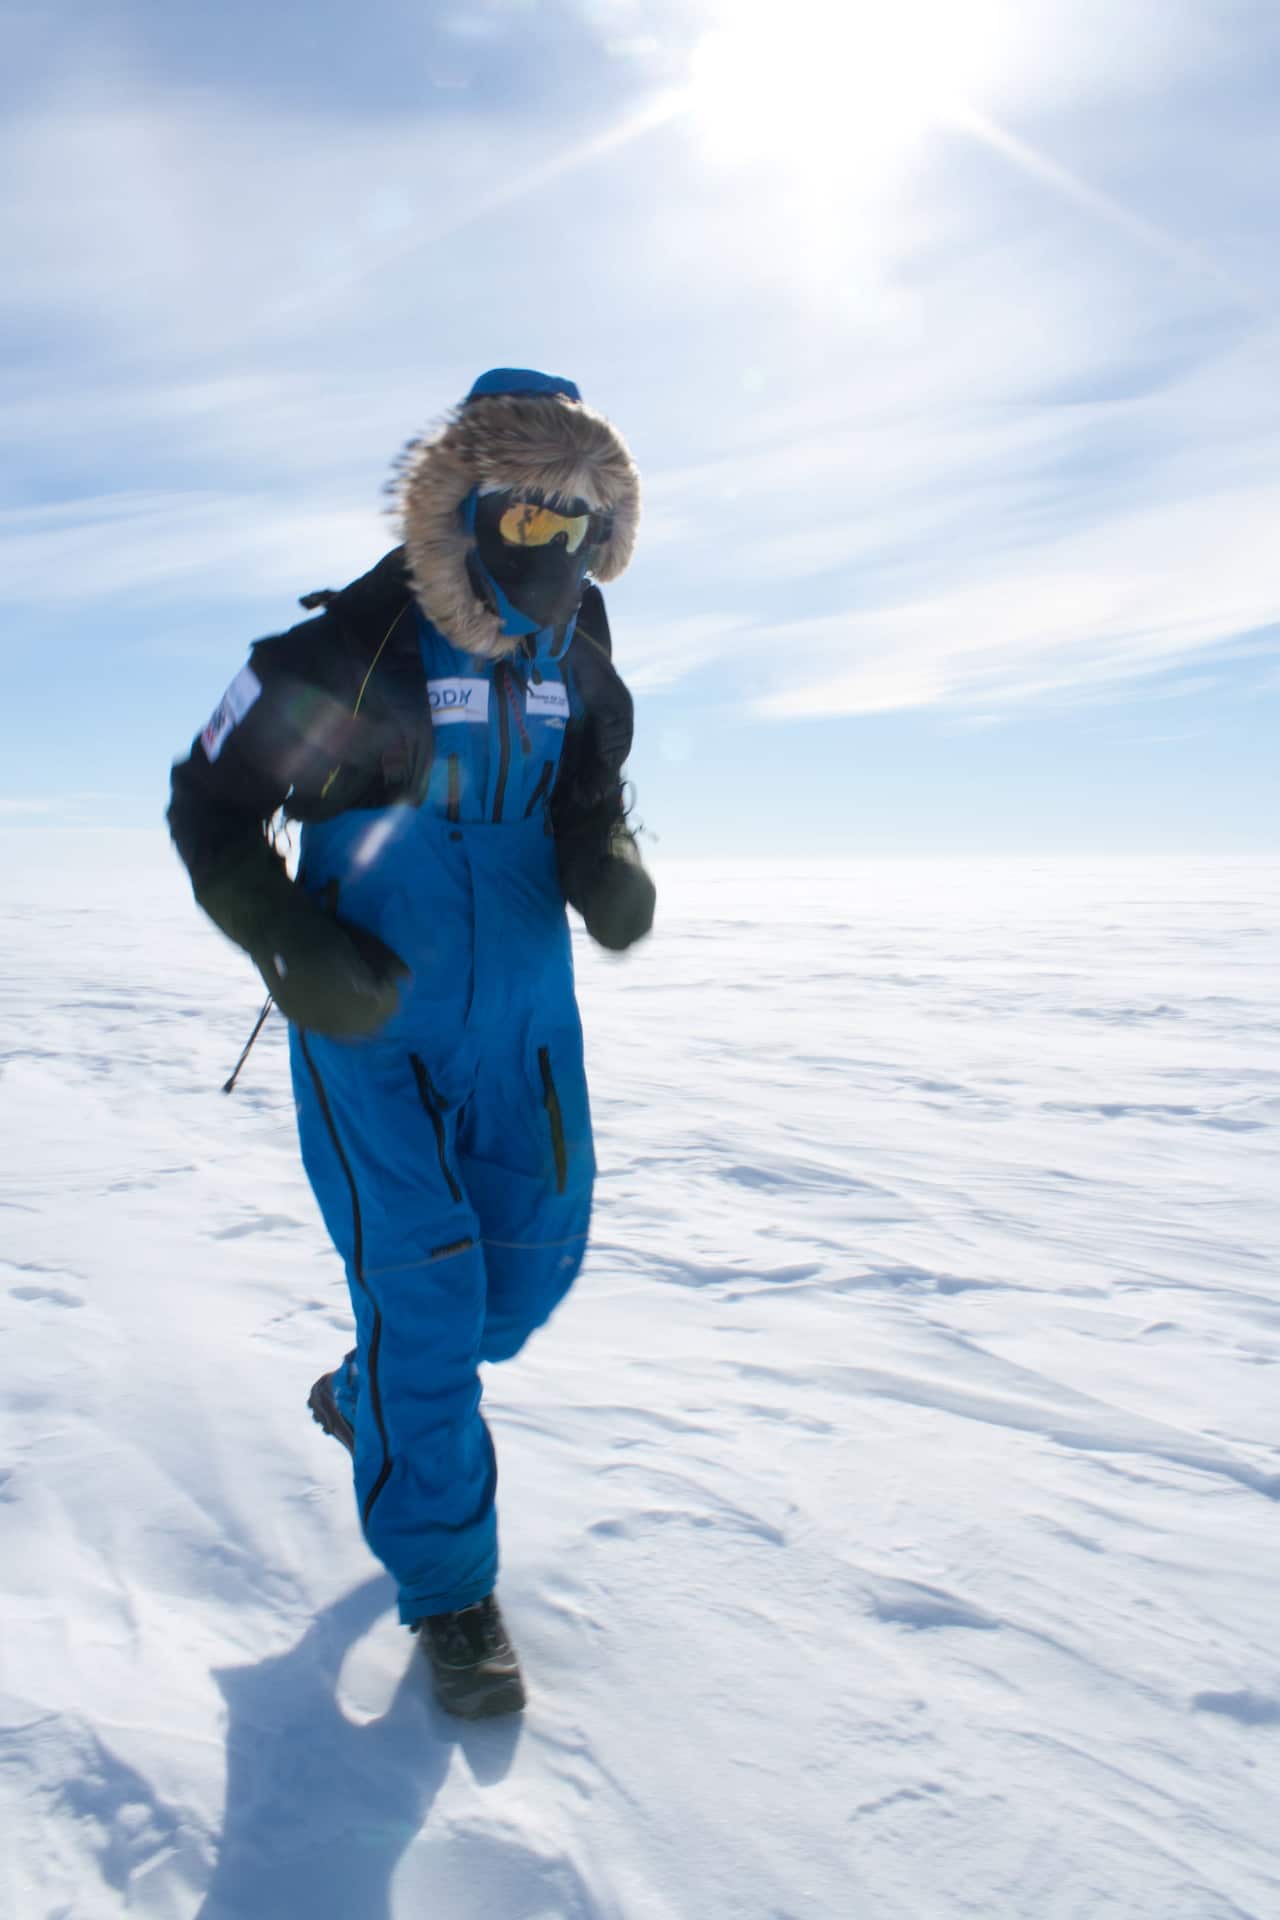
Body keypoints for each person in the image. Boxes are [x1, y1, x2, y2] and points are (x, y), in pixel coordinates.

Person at [168, 369, 654, 1717]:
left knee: (519, 1292)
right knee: (431, 1300)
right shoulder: (355, 647)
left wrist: (603, 856)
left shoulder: (582, 647)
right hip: (369, 1012)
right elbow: (210, 801)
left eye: (581, 519)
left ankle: (366, 1389)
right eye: (530, 516)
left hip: (528, 1021)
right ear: (467, 502)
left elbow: (590, 784)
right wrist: (288, 941)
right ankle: (449, 1592)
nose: (553, 547)